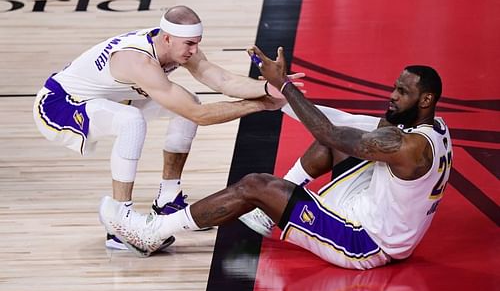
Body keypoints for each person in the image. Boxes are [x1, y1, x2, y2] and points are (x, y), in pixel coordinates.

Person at [98, 45, 453, 270]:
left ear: (425, 100)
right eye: (394, 87)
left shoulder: (406, 147)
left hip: (364, 242)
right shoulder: (434, 128)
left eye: (402, 92)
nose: (392, 96)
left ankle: (153, 233)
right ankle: (272, 216)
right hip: (387, 222)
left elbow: (328, 131)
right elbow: (339, 131)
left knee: (255, 185)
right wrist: (278, 102)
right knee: (340, 141)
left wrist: (284, 87)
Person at [33, 6, 299, 251]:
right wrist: (260, 105)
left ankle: (167, 199)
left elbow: (223, 80)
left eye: (197, 44)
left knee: (185, 103)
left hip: (106, 99)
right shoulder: (139, 61)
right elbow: (201, 116)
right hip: (60, 105)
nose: (194, 51)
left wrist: (271, 86)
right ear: (168, 38)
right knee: (131, 120)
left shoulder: (174, 46)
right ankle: (120, 221)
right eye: (190, 44)